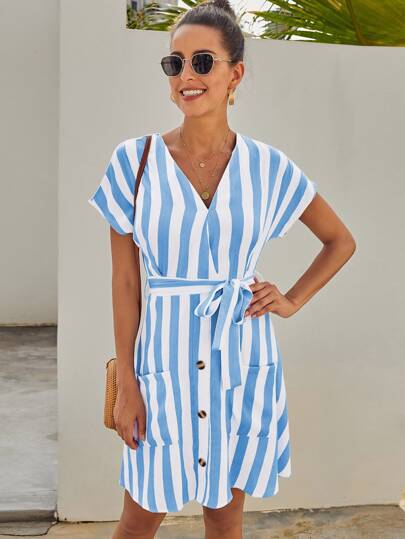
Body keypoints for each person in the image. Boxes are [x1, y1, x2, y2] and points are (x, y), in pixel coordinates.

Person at [87, 0, 356, 536]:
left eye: (203, 61)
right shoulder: (134, 163)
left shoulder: (268, 167)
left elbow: (339, 241)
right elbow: (125, 282)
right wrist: (130, 384)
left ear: (235, 74)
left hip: (241, 362)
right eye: (175, 63)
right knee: (139, 518)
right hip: (161, 366)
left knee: (226, 516)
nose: (186, 75)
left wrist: (292, 300)